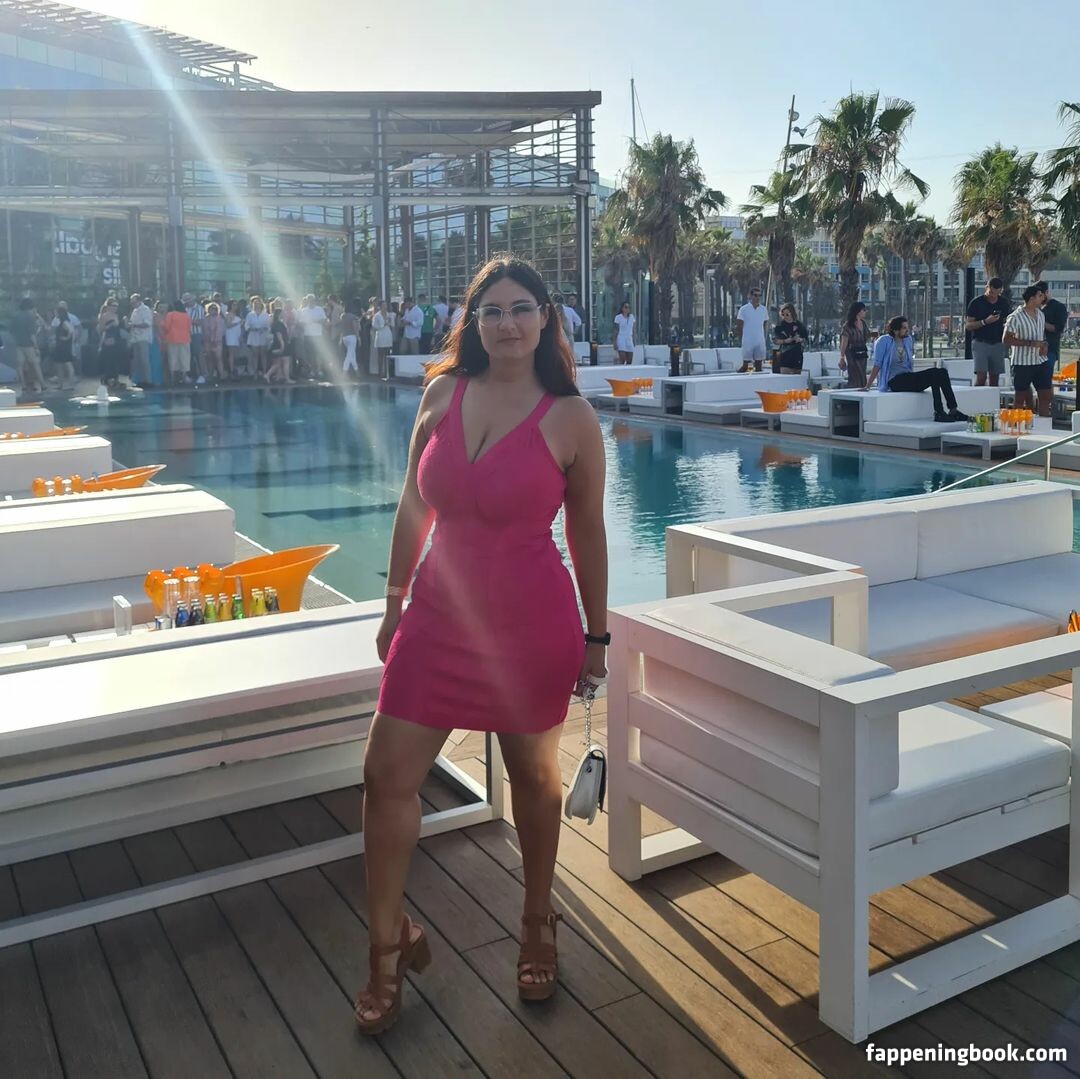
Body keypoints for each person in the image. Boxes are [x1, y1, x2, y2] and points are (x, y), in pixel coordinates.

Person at [358, 255, 608, 1035]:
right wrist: (393, 600)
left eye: (521, 308)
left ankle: (538, 921)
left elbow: (588, 533)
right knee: (385, 774)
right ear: (473, 322)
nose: (507, 322)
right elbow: (412, 505)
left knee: (533, 777)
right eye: (491, 310)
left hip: (531, 625)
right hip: (437, 615)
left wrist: (597, 635)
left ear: (545, 318)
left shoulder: (571, 417)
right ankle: (387, 943)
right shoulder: (441, 394)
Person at [865, 315, 967, 421]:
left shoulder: (908, 340)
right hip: (894, 381)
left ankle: (952, 410)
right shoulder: (883, 341)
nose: (907, 330)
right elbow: (877, 364)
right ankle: (939, 412)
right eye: (904, 328)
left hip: (908, 377)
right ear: (895, 330)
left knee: (942, 372)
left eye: (907, 327)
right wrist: (868, 385)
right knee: (935, 374)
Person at [1004, 284, 1051, 417]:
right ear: (1032, 298)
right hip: (1022, 363)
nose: (1043, 298)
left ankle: (1044, 425)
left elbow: (1041, 336)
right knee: (1020, 398)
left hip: (1040, 361)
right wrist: (1029, 343)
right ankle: (1017, 425)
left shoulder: (1041, 314)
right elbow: (1006, 339)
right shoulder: (1015, 317)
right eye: (1040, 296)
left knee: (1046, 395)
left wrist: (1044, 345)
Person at [964, 277, 1010, 388]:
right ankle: (977, 397)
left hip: (998, 343)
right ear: (987, 288)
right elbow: (968, 325)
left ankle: (992, 398)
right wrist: (985, 322)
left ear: (1001, 291)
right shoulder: (976, 303)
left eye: (997, 294)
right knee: (981, 377)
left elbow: (1007, 321)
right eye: (991, 293)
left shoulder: (1003, 303)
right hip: (980, 342)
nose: (993, 296)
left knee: (995, 378)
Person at [12, 298, 45, 394]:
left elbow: (12, 330)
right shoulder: (30, 317)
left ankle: (23, 385)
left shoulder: (16, 315)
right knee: (35, 364)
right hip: (29, 344)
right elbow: (32, 334)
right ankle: (43, 384)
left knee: (20, 365)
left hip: (18, 344)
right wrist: (36, 346)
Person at [1035, 280, 1069, 374]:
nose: (1039, 298)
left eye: (1041, 295)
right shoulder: (1036, 307)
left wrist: (1041, 322)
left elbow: (1058, 328)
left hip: (1050, 349)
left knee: (1045, 377)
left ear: (1046, 292)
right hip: (1034, 349)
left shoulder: (1058, 307)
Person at [97, 298, 127, 390]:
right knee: (109, 360)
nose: (115, 308)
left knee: (115, 360)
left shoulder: (116, 315)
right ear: (108, 306)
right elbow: (101, 329)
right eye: (113, 306)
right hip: (108, 338)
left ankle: (115, 379)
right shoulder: (104, 316)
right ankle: (108, 380)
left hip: (116, 339)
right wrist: (110, 325)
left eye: (116, 306)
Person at [736, 288, 769, 372]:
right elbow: (739, 325)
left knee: (759, 365)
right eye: (755, 295)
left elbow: (765, 324)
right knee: (745, 365)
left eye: (759, 295)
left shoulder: (763, 309)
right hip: (748, 341)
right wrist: (741, 337)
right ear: (750, 296)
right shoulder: (743, 309)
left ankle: (758, 380)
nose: (757, 297)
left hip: (759, 341)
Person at [839, 301, 870, 388]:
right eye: (863, 310)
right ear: (858, 311)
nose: (865, 312)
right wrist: (842, 357)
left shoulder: (863, 323)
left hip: (862, 353)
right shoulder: (848, 325)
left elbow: (867, 335)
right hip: (852, 354)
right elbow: (844, 342)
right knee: (854, 374)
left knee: (862, 374)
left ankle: (863, 388)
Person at [161, 300, 192, 386]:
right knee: (184, 357)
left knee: (173, 357)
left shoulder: (170, 314)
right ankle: (184, 376)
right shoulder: (186, 315)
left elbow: (166, 327)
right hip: (185, 338)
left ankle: (173, 377)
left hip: (172, 338)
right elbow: (189, 328)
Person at [298, 293, 329, 378]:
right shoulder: (304, 310)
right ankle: (312, 370)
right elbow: (301, 322)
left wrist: (315, 321)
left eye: (312, 300)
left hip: (318, 334)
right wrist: (307, 322)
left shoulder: (319, 309)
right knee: (310, 353)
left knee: (318, 353)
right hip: (308, 334)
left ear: (314, 301)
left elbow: (324, 320)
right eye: (309, 300)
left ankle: (319, 370)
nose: (311, 302)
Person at [126, 293, 154, 387]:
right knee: (137, 360)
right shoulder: (135, 311)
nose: (132, 304)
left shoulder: (145, 310)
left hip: (143, 337)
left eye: (134, 302)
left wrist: (134, 325)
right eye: (131, 303)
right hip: (135, 338)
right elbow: (131, 323)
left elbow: (147, 324)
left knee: (144, 360)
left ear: (139, 301)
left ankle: (148, 381)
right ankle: (141, 380)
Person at [773, 304, 809, 374]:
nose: (785, 316)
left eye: (787, 314)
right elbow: (775, 341)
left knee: (796, 376)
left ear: (792, 313)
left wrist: (800, 339)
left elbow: (806, 339)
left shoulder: (799, 325)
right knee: (785, 375)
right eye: (783, 314)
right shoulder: (780, 326)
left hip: (797, 354)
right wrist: (785, 341)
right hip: (784, 354)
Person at [245, 296, 272, 380]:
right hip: (253, 336)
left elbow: (269, 325)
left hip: (263, 335)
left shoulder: (265, 314)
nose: (257, 305)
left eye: (259, 304)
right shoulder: (250, 314)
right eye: (256, 304)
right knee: (255, 355)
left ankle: (264, 372)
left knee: (263, 354)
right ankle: (255, 372)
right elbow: (246, 325)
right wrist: (252, 329)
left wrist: (264, 328)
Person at [266, 301, 293, 383]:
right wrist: (282, 345)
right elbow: (279, 335)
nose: (284, 314)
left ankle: (275, 376)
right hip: (281, 344)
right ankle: (287, 378)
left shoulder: (277, 323)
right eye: (282, 313)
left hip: (278, 343)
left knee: (278, 363)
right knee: (286, 361)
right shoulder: (278, 324)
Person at [51, 305, 76, 390]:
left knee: (68, 365)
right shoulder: (61, 322)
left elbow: (71, 331)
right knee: (59, 366)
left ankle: (70, 384)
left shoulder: (65, 322)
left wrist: (66, 338)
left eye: (56, 312)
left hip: (64, 347)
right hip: (60, 346)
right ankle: (60, 384)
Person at [182, 293, 205, 384]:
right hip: (186, 334)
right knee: (189, 356)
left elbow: (200, 322)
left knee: (198, 354)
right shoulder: (184, 309)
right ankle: (192, 375)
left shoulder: (199, 308)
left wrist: (188, 321)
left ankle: (202, 375)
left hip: (196, 334)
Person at [202, 302, 225, 383]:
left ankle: (221, 375)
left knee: (218, 358)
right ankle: (211, 375)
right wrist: (206, 340)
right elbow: (204, 330)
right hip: (207, 342)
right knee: (209, 359)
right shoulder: (205, 319)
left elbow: (220, 331)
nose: (212, 310)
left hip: (217, 342)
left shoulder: (219, 319)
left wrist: (215, 340)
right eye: (211, 309)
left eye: (214, 309)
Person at [372, 299, 394, 379]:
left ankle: (387, 372)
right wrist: (383, 324)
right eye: (383, 305)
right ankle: (380, 372)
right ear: (380, 307)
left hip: (387, 334)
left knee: (387, 354)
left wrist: (390, 322)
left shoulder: (389, 314)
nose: (385, 307)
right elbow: (374, 326)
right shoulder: (377, 316)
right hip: (380, 335)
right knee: (380, 355)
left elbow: (392, 325)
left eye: (386, 305)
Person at [223, 301, 243, 380]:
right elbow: (228, 325)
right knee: (231, 354)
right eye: (234, 305)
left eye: (236, 305)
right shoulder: (229, 314)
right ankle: (231, 371)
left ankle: (234, 369)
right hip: (231, 335)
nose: (235, 306)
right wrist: (238, 323)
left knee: (235, 354)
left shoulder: (237, 314)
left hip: (237, 335)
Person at [340, 304, 360, 377]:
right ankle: (344, 373)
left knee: (352, 355)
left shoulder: (342, 316)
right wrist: (358, 337)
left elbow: (341, 328)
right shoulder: (353, 317)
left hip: (345, 337)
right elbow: (355, 328)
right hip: (352, 337)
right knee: (349, 355)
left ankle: (357, 371)